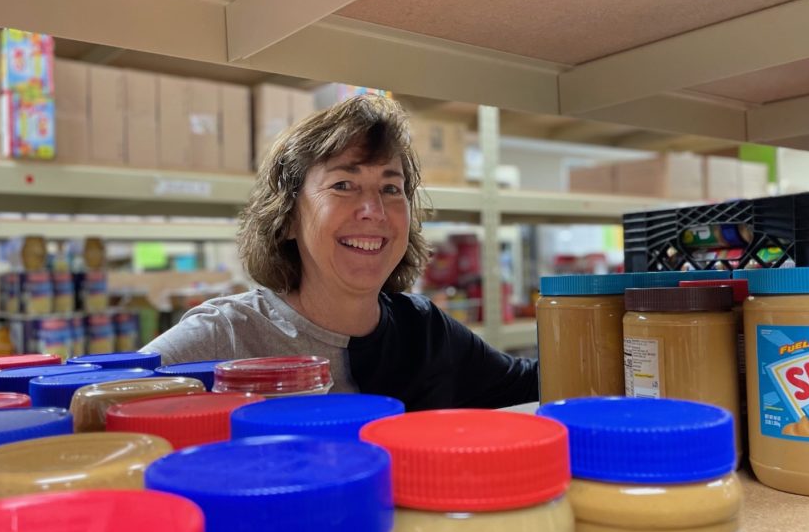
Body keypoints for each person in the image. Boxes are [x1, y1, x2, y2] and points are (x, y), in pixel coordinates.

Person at [143, 95, 538, 411]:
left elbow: (537, 383)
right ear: (287, 218)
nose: (374, 210)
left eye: (390, 188)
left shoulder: (427, 334)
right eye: (344, 185)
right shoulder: (224, 338)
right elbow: (97, 414)